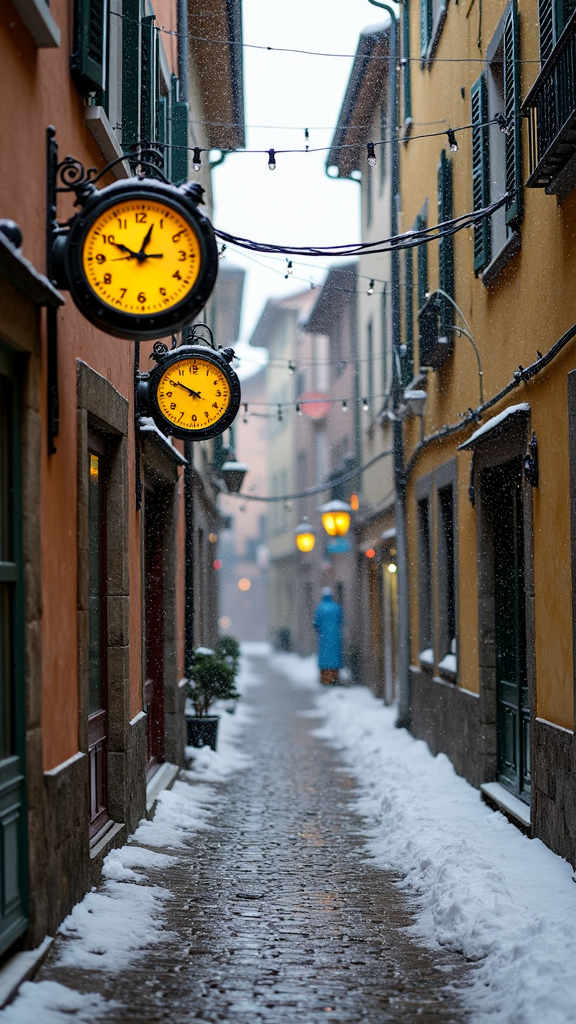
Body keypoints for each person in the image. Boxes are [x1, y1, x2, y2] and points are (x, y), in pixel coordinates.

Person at [313, 587, 343, 685]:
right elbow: (341, 621)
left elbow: (316, 623)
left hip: (324, 638)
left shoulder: (320, 608)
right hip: (335, 637)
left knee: (325, 657)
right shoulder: (336, 607)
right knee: (334, 657)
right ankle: (334, 677)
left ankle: (325, 678)